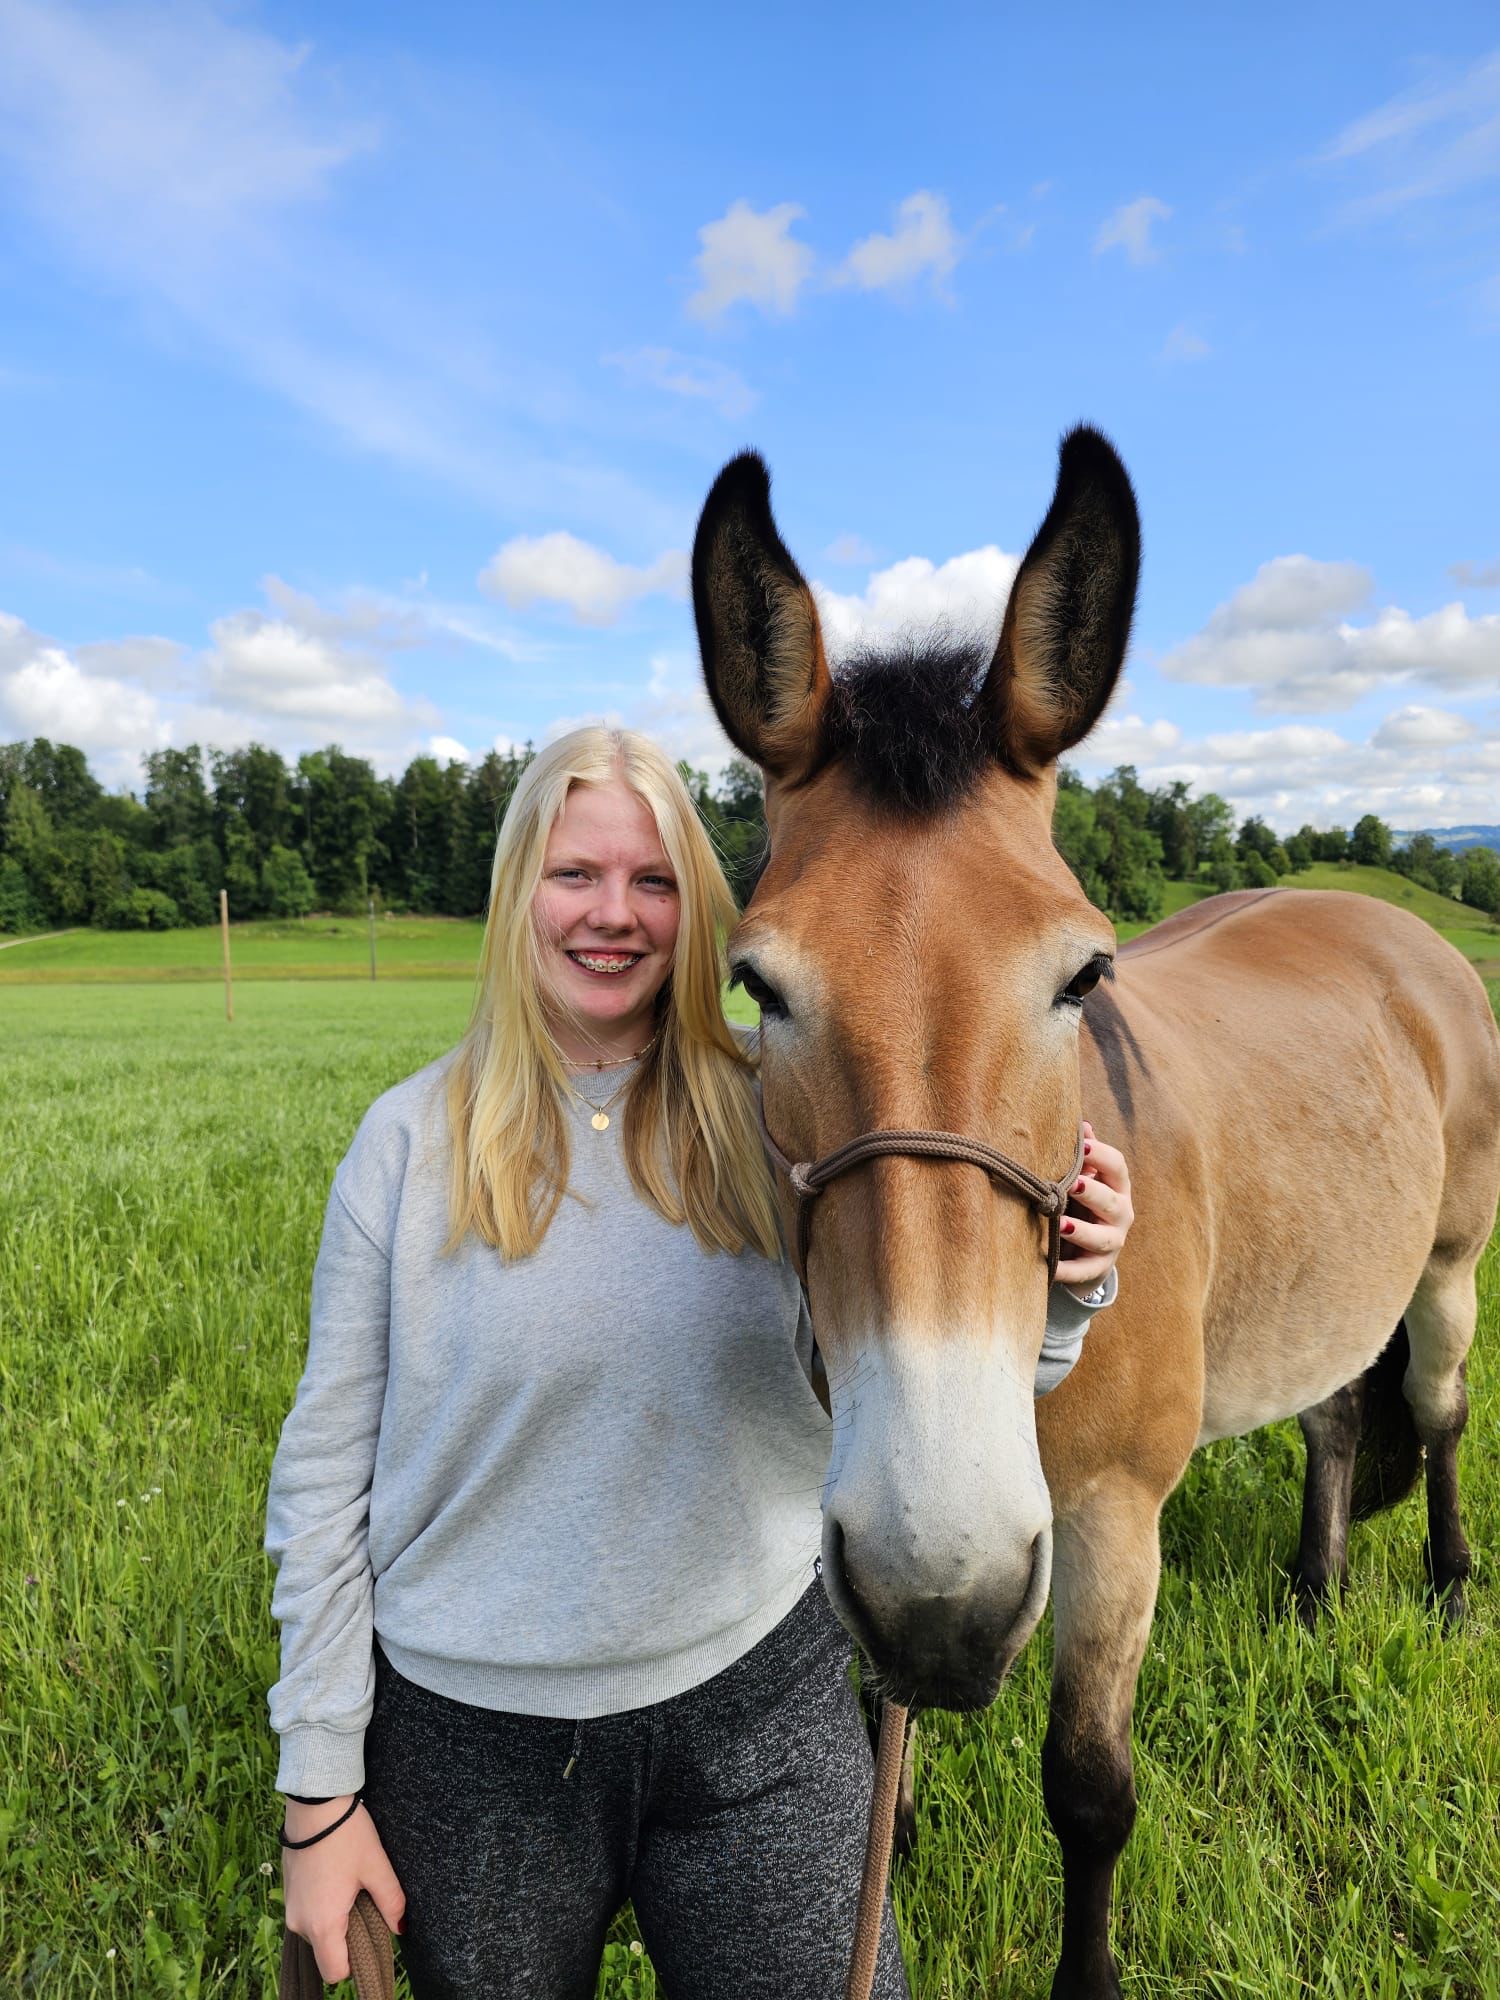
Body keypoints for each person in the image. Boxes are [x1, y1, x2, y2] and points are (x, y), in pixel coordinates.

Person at [264, 724, 1133, 2000]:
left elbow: (905, 1379)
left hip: (756, 1702)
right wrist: (319, 1792)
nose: (613, 913)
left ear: (701, 909)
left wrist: (1066, 1284)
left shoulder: (780, 1117)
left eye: (654, 880)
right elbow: (323, 1479)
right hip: (472, 1738)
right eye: (575, 874)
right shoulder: (402, 1147)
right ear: (518, 893)